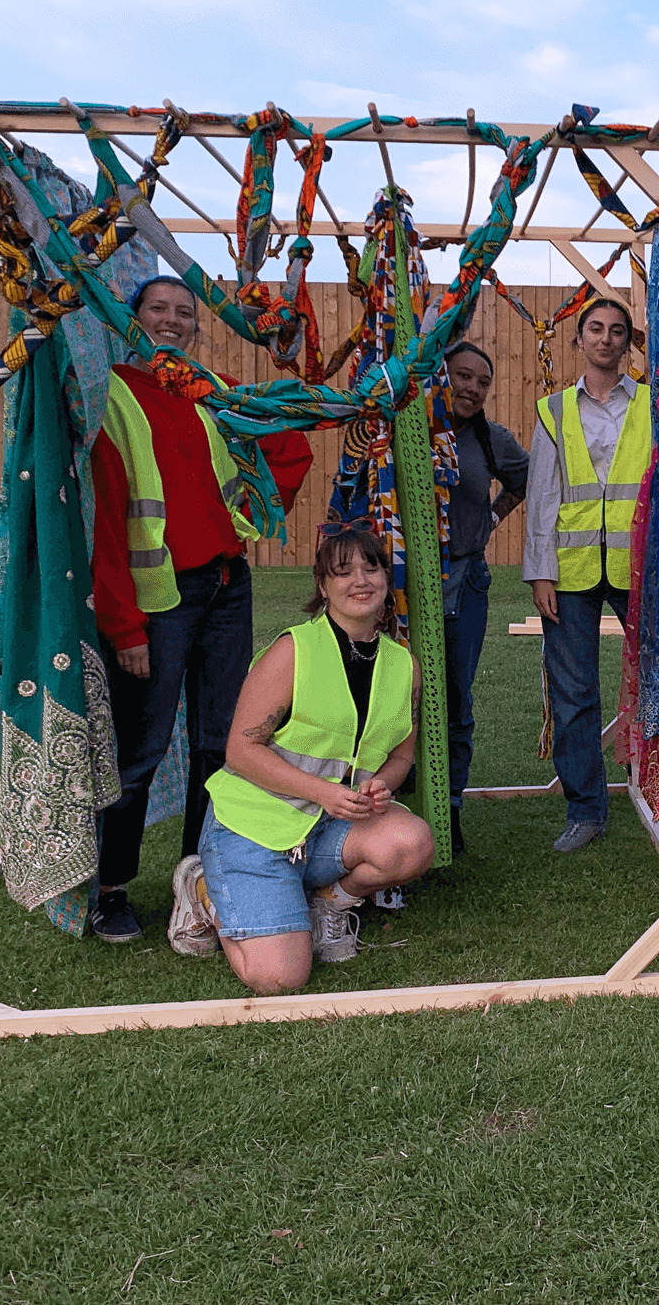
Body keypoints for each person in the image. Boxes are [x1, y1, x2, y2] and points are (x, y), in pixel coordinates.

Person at [87, 276, 313, 944]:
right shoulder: (115, 398)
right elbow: (105, 524)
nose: (172, 320)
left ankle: (204, 878)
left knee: (224, 742)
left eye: (184, 312)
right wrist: (125, 625)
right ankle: (111, 888)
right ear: (133, 320)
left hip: (225, 588)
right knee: (144, 747)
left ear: (196, 327)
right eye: (158, 309)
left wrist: (252, 507)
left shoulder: (208, 392)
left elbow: (287, 445)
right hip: (160, 602)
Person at [169, 524, 436, 994]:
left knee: (411, 842)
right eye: (343, 571)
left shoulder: (403, 666)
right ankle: (203, 891)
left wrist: (384, 786)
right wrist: (324, 792)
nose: (360, 580)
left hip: (324, 828)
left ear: (385, 581)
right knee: (279, 978)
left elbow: (401, 756)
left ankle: (329, 904)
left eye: (371, 567)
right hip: (255, 828)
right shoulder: (293, 650)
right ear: (323, 586)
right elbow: (240, 751)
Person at [523, 298, 652, 852]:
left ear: (627, 343)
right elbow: (541, 496)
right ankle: (586, 810)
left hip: (639, 566)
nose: (605, 338)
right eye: (595, 329)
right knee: (574, 693)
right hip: (570, 571)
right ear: (579, 339)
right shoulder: (553, 410)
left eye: (616, 331)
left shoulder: (653, 404)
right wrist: (540, 572)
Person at [440, 340, 529, 854]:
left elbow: (525, 478)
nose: (471, 387)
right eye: (462, 376)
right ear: (441, 376)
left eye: (482, 381)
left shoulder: (491, 440)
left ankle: (450, 810)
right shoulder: (411, 432)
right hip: (401, 586)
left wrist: (492, 517)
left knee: (456, 696)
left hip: (465, 583)